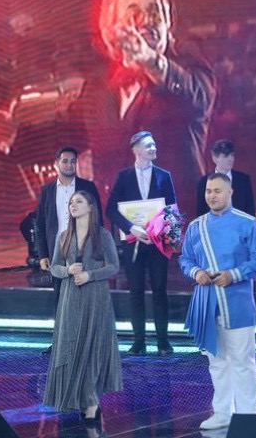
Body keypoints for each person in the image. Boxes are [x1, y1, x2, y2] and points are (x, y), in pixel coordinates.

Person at [92, 0, 217, 206]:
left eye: (155, 13)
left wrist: (150, 60)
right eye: (134, 14)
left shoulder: (188, 61)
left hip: (179, 213)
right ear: (112, 31)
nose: (147, 21)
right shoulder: (102, 88)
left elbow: (198, 98)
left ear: (168, 23)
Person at [181, 173, 256, 430]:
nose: (212, 195)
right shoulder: (196, 227)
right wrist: (196, 272)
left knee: (243, 362)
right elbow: (185, 259)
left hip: (237, 305)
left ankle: (248, 416)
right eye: (208, 191)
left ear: (230, 192)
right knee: (216, 363)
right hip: (206, 305)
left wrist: (234, 274)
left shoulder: (247, 223)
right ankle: (222, 413)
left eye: (217, 191)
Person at [44, 190, 122, 421]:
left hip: (96, 297)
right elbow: (54, 267)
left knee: (93, 348)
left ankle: (91, 400)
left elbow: (114, 266)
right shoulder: (63, 236)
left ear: (90, 207)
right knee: (71, 347)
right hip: (71, 298)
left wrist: (90, 275)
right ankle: (74, 397)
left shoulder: (102, 235)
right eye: (71, 202)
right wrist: (67, 270)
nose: (73, 205)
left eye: (78, 201)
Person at [106, 131, 177, 356]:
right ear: (136, 149)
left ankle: (163, 341)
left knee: (159, 290)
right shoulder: (124, 177)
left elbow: (172, 209)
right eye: (148, 146)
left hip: (158, 243)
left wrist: (163, 230)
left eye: (154, 144)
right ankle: (139, 341)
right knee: (135, 290)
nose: (153, 148)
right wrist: (131, 228)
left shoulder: (164, 176)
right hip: (133, 242)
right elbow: (111, 209)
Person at [35, 146, 103, 354]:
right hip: (58, 251)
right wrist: (43, 254)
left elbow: (98, 220)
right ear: (56, 164)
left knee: (85, 296)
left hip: (83, 249)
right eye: (65, 161)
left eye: (73, 161)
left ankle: (86, 343)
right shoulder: (47, 190)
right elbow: (40, 223)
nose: (69, 165)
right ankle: (60, 343)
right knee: (60, 298)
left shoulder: (87, 187)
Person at [195, 139, 256, 217]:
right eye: (226, 156)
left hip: (239, 224)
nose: (230, 159)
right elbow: (201, 213)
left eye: (232, 155)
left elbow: (250, 211)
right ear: (215, 158)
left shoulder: (243, 180)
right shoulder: (204, 182)